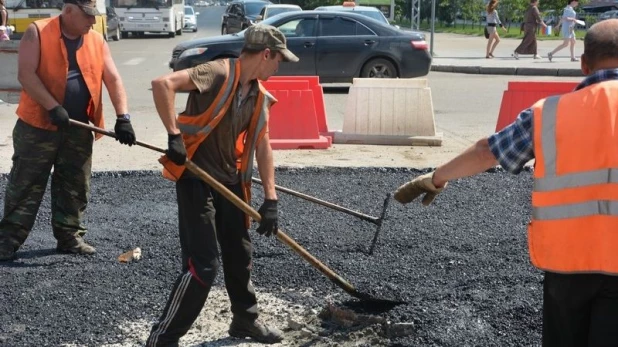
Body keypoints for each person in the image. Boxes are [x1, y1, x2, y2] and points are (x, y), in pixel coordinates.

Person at [394, 18, 618, 347]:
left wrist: (436, 177)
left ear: (584, 64)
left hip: (568, 264)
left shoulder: (551, 114)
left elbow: (488, 151)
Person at [146, 24, 299, 346]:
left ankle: (245, 320)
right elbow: (163, 84)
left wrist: (271, 200)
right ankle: (163, 338)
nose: (278, 66)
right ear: (266, 53)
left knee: (239, 252)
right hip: (195, 177)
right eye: (278, 60)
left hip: (230, 181)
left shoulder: (258, 94)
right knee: (203, 264)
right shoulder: (216, 72)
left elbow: (262, 144)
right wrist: (174, 135)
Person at [0, 0, 136, 261]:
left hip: (79, 126)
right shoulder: (37, 31)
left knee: (75, 184)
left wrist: (123, 117)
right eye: (87, 16)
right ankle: (7, 241)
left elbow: (113, 78)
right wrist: (52, 106)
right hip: (37, 125)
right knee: (25, 184)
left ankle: (69, 236)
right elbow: (26, 75)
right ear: (69, 10)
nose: (93, 21)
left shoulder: (96, 40)